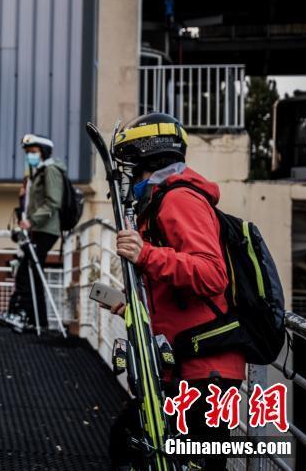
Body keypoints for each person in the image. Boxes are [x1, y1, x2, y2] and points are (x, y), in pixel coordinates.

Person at [106, 112, 245, 471]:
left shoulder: (179, 200)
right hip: (184, 366)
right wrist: (134, 307)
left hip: (204, 373)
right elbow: (175, 284)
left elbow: (212, 274)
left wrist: (145, 254)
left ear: (149, 159)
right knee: (130, 444)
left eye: (132, 165)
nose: (129, 176)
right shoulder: (159, 203)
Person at [0, 134, 67, 333]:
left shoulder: (51, 170)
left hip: (45, 229)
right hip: (37, 229)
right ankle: (37, 321)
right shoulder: (37, 172)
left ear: (43, 152)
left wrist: (32, 220)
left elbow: (54, 202)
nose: (30, 156)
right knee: (31, 272)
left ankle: (25, 315)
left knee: (28, 270)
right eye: (28, 153)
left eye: (33, 152)